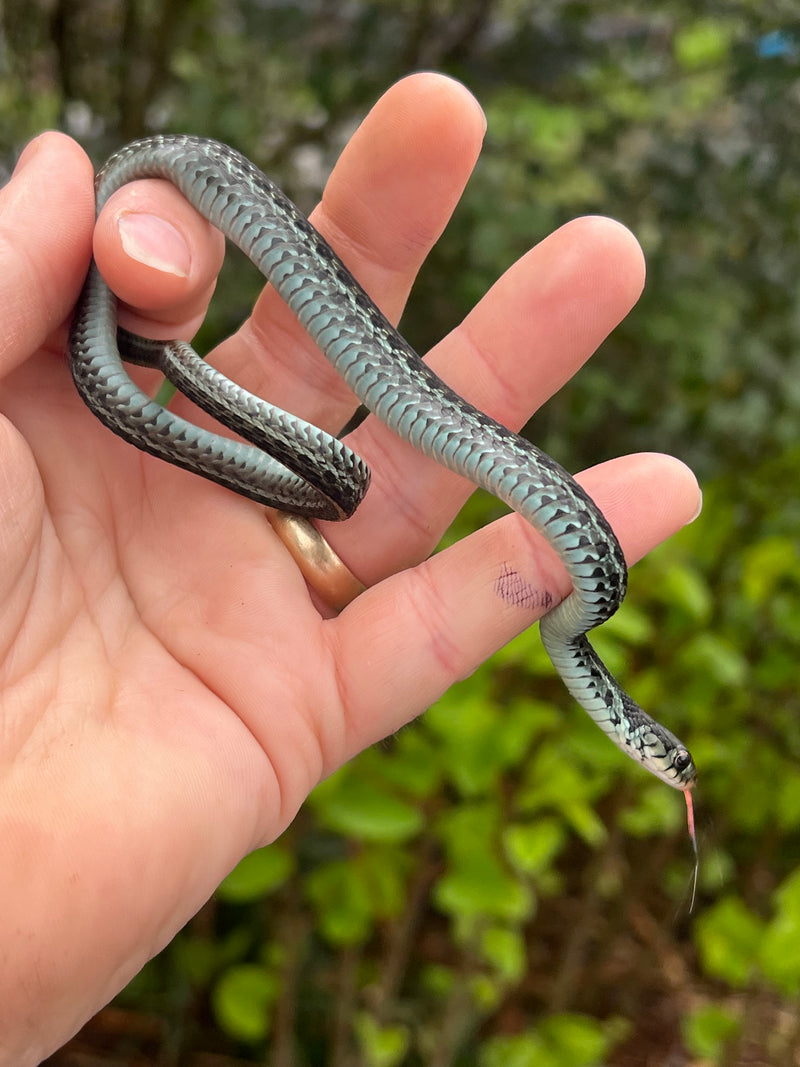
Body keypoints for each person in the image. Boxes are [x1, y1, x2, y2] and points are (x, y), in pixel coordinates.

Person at [0, 72, 700, 1064]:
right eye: (664, 760)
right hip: (139, 308)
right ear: (637, 737)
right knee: (155, 257)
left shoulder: (572, 621)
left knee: (328, 475)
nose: (668, 770)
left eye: (667, 764)